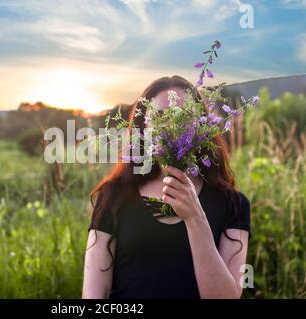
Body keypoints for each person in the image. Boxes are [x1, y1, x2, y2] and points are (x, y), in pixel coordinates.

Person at [82, 75, 251, 299]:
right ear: (144, 128)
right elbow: (94, 294)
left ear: (201, 126)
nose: (171, 125)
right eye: (160, 116)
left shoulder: (233, 204)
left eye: (183, 116)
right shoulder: (114, 196)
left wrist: (195, 218)